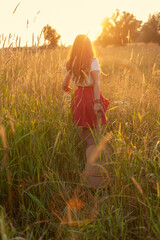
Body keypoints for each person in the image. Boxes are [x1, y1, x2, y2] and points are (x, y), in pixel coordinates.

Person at [62, 34, 109, 188]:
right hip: (90, 98)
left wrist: (69, 88)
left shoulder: (71, 62)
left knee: (85, 132)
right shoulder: (92, 61)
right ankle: (94, 175)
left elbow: (64, 85)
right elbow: (96, 83)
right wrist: (97, 102)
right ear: (89, 46)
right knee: (94, 136)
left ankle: (89, 168)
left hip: (78, 98)